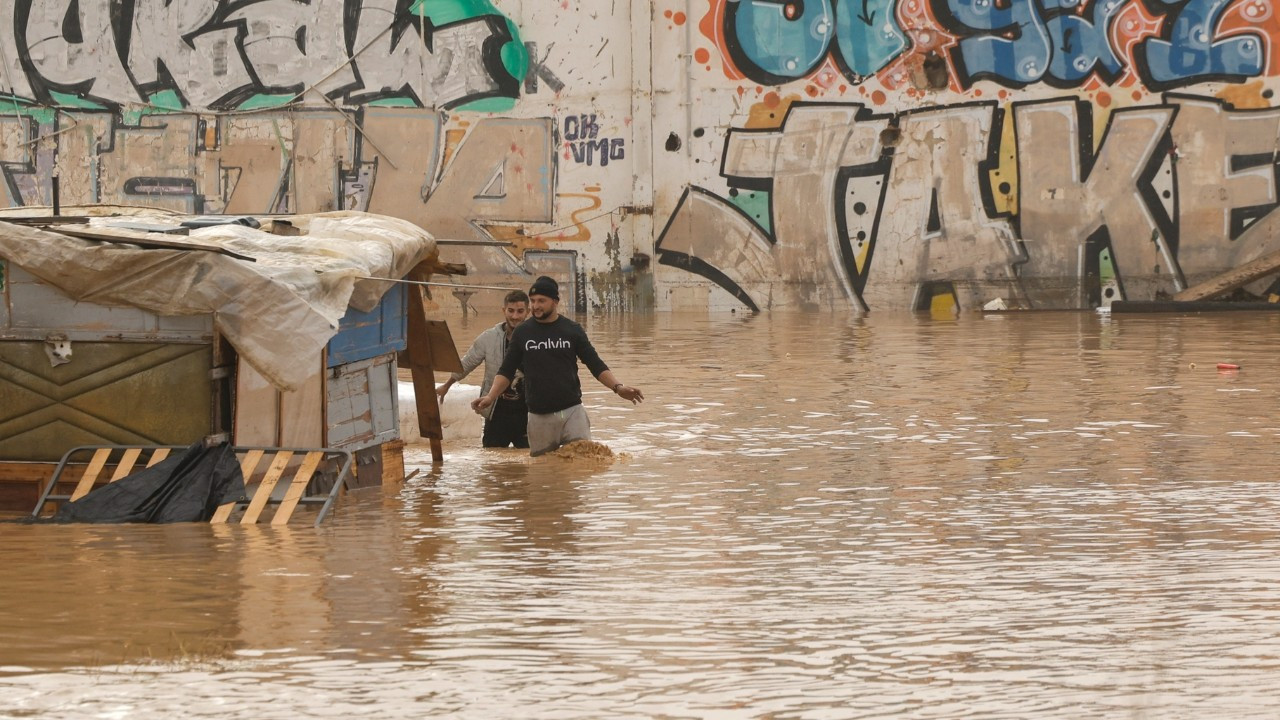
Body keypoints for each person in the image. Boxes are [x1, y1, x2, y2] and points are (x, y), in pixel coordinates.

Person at [472, 276, 642, 456]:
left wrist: (618, 387)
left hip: (572, 412)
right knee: (543, 471)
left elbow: (595, 364)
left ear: (555, 302)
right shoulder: (522, 333)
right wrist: (490, 397)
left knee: (583, 463)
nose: (536, 306)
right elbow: (506, 371)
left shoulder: (572, 330)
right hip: (539, 416)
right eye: (533, 301)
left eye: (541, 301)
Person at [437, 290, 531, 448]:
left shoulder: (536, 339)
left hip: (528, 411)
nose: (515, 316)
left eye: (520, 311)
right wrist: (447, 385)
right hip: (496, 409)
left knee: (531, 462)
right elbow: (467, 363)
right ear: (503, 311)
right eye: (511, 311)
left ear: (528, 312)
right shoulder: (489, 338)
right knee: (492, 462)